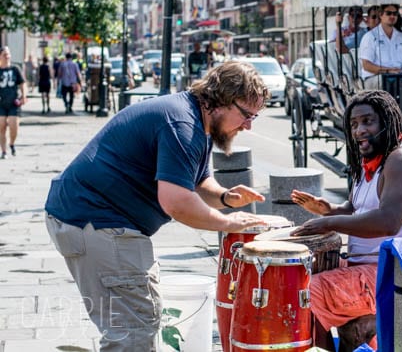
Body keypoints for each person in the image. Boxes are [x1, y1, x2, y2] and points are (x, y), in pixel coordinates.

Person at [44, 61, 271, 350]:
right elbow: (176, 202)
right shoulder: (183, 124)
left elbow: (199, 182)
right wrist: (227, 223)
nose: (249, 125)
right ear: (221, 100)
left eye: (255, 116)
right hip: (97, 221)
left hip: (93, 218)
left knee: (139, 321)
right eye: (247, 114)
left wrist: (226, 197)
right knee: (134, 330)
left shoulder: (195, 120)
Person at [291, 90, 402, 351]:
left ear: (388, 122)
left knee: (305, 292)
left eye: (368, 121)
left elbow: (388, 221)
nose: (359, 131)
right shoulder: (370, 162)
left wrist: (329, 224)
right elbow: (356, 209)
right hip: (366, 268)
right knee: (296, 274)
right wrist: (328, 209)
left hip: (391, 273)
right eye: (354, 124)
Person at [358, 4, 402, 89]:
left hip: (399, 77)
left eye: (395, 14)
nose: (392, 16)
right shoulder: (370, 36)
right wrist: (388, 71)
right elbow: (366, 65)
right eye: (388, 13)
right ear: (381, 15)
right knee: (389, 81)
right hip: (375, 78)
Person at [0, 46, 26, 159]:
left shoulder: (15, 69)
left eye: (8, 54)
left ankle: (12, 143)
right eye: (4, 54)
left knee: (13, 125)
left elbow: (22, 83)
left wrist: (24, 96)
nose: (7, 56)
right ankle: (4, 151)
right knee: (1, 127)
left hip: (13, 102)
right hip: (1, 103)